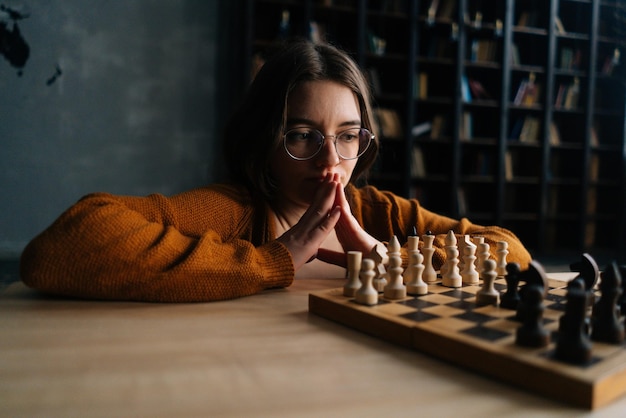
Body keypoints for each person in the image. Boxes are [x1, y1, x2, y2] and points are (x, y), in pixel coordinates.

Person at [20, 40, 532, 302]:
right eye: (302, 135)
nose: (331, 162)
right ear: (265, 140)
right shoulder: (234, 211)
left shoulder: (376, 212)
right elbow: (60, 250)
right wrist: (272, 260)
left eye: (348, 136)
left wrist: (383, 256)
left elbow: (512, 251)